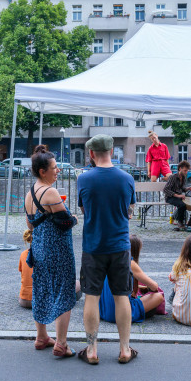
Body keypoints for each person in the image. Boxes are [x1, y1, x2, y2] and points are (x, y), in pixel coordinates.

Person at [77, 134, 137, 365]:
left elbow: (84, 210)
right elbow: (130, 210)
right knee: (121, 296)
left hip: (93, 246)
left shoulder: (84, 179)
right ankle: (124, 349)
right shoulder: (127, 178)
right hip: (120, 246)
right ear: (112, 151)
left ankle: (92, 349)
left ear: (91, 154)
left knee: (91, 296)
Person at [24, 145, 78, 357]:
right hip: (57, 249)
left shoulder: (30, 193)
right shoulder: (50, 192)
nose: (58, 171)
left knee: (43, 289)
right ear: (42, 171)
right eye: (54, 168)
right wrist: (72, 217)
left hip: (38, 248)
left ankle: (41, 337)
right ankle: (61, 344)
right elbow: (66, 222)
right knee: (64, 291)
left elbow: (30, 225)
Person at [99, 235, 165, 324]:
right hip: (119, 313)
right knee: (159, 296)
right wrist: (149, 289)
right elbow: (154, 286)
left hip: (103, 310)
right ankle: (138, 312)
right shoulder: (129, 262)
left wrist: (141, 287)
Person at [163, 160, 191, 231]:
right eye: (185, 170)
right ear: (180, 169)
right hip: (170, 197)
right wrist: (177, 195)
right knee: (182, 205)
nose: (186, 172)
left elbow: (182, 189)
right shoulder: (172, 177)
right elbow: (166, 190)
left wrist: (188, 188)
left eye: (187, 171)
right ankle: (180, 222)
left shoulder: (183, 177)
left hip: (179, 196)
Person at [18, 229, 34, 310]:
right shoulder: (47, 254)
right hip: (40, 300)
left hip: (23, 299)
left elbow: (22, 271)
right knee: (76, 284)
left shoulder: (23, 254)